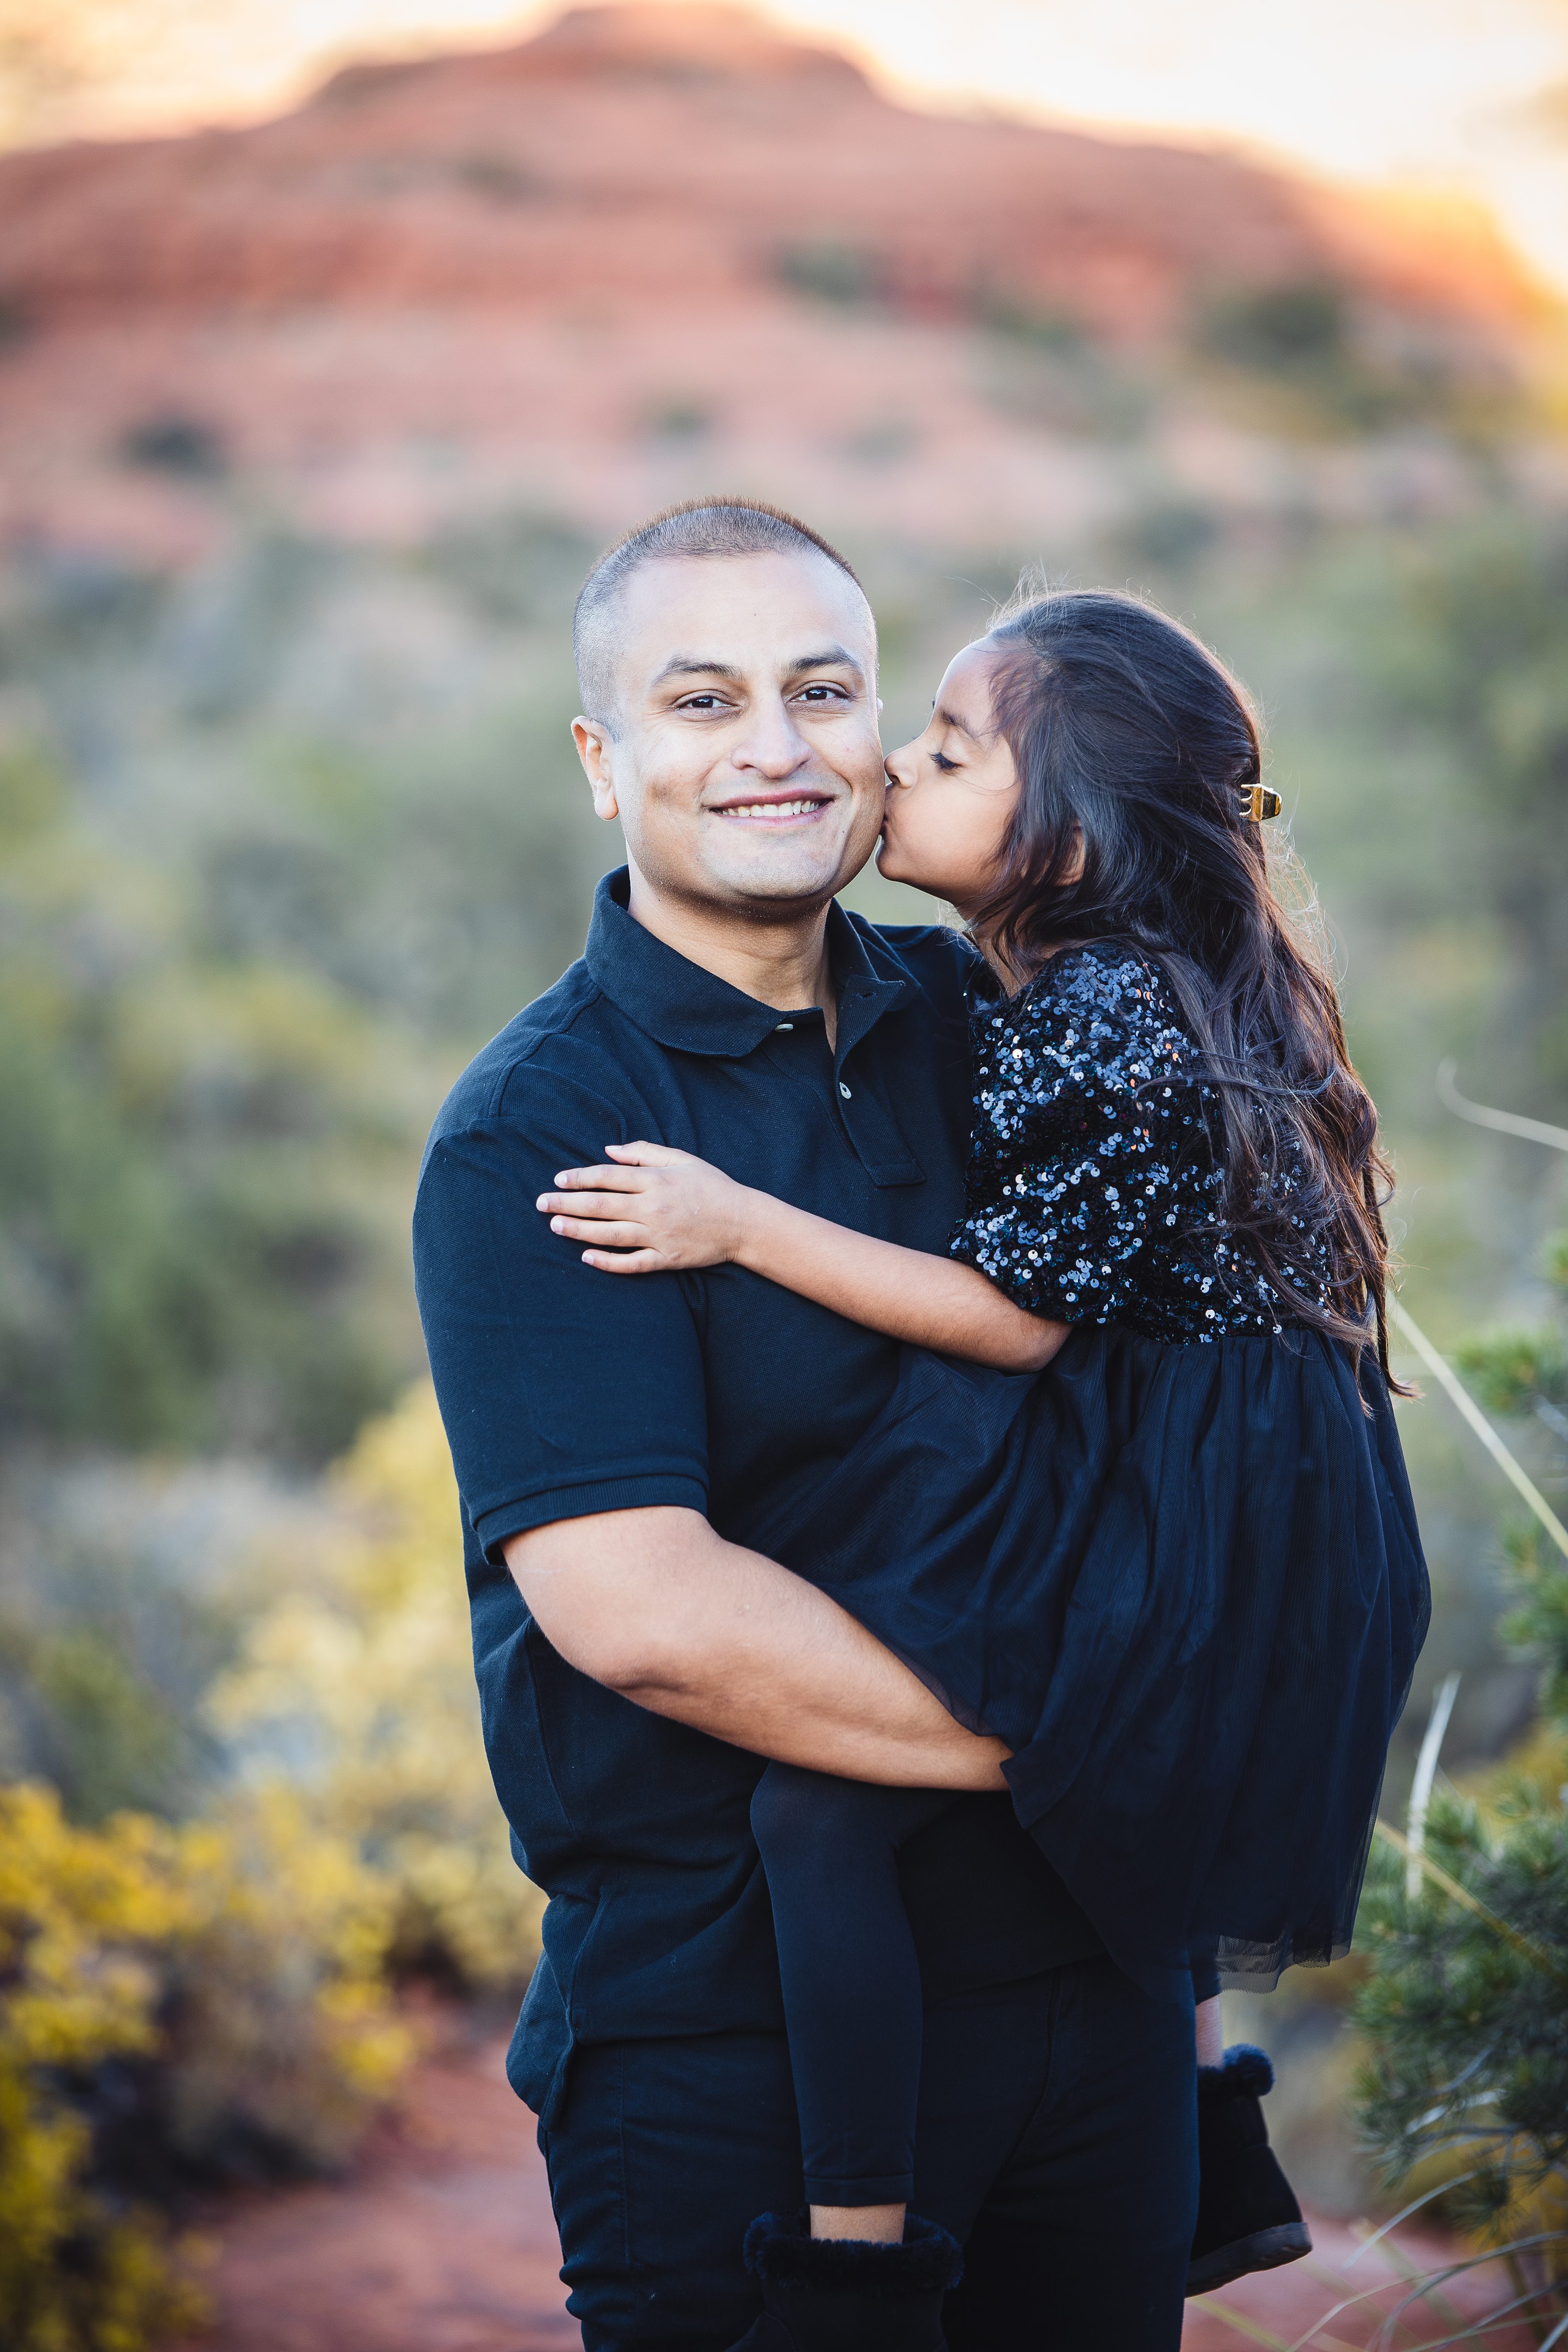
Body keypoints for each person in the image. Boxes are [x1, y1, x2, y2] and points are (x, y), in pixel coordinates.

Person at [536, 590, 1431, 2351]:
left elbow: (1019, 1327)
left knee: (826, 1801)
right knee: (1120, 1791)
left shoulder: (1092, 1013)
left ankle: (858, 2261)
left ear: (1070, 826)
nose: (879, 767)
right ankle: (1206, 2138)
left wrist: (732, 1220)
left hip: (1171, 1470)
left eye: (936, 746)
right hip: (1225, 1468)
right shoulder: (1121, 982)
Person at [414, 507, 1206, 2352]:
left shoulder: (1007, 1024)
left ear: (881, 735)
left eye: (823, 689)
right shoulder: (543, 1134)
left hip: (1096, 1993)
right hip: (728, 2037)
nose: (774, 744)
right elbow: (646, 1613)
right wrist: (1109, 1736)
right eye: (703, 699)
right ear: (606, 764)